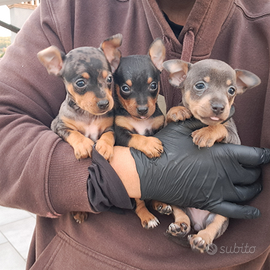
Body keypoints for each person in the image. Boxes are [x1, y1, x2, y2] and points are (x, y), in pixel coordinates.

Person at [0, 0, 270, 269]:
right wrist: (114, 175)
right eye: (124, 89)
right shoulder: (70, 8)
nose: (142, 105)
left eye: (107, 81)